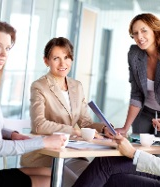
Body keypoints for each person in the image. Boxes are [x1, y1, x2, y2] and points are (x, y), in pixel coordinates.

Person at [0, 19, 67, 187]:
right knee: (51, 180)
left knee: (48, 173)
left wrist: (11, 134)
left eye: (7, 48)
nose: (4, 54)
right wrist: (45, 142)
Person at [20, 37, 106, 187]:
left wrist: (104, 129)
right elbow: (39, 125)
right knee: (82, 184)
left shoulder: (77, 86)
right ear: (46, 61)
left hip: (71, 154)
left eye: (66, 57)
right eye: (56, 58)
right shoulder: (39, 86)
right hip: (46, 156)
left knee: (99, 179)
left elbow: (85, 122)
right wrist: (74, 131)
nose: (62, 63)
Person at [113, 13, 160, 138]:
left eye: (144, 31)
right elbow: (136, 93)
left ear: (155, 31)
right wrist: (125, 128)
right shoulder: (134, 54)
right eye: (135, 33)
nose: (140, 37)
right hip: (144, 109)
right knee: (137, 150)